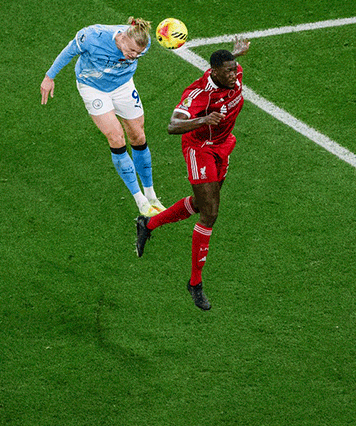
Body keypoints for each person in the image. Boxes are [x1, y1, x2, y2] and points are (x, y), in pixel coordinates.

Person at [134, 39, 250, 310]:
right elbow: (172, 125)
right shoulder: (199, 94)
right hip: (201, 149)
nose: (234, 75)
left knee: (201, 204)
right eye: (228, 71)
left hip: (223, 145)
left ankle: (148, 224)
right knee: (210, 214)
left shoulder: (233, 75)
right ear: (215, 72)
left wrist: (235, 54)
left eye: (235, 69)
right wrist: (203, 120)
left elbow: (230, 67)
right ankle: (195, 283)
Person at [40, 17, 165, 217]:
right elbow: (69, 51)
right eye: (131, 51)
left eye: (138, 54)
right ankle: (140, 200)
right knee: (116, 137)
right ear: (122, 37)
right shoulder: (92, 36)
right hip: (93, 87)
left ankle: (151, 196)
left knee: (138, 136)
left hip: (123, 86)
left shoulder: (144, 43)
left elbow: (135, 53)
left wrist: (133, 53)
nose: (134, 56)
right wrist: (49, 77)